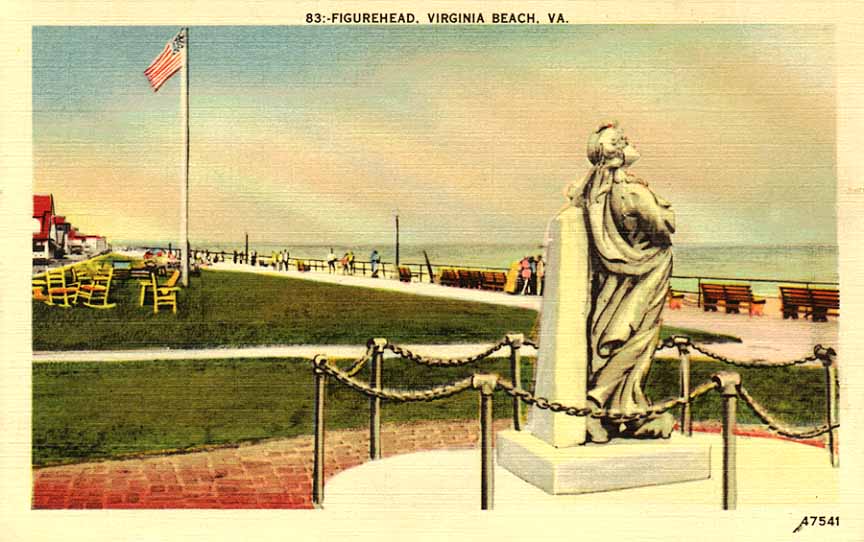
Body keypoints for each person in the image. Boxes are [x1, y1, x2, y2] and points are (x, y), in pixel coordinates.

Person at [573, 122, 676, 442]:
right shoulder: (632, 192)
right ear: (617, 151)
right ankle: (599, 403)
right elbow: (665, 226)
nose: (632, 142)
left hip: (614, 282)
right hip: (644, 279)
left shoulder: (595, 193)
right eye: (625, 140)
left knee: (612, 341)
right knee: (636, 341)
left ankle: (621, 407)